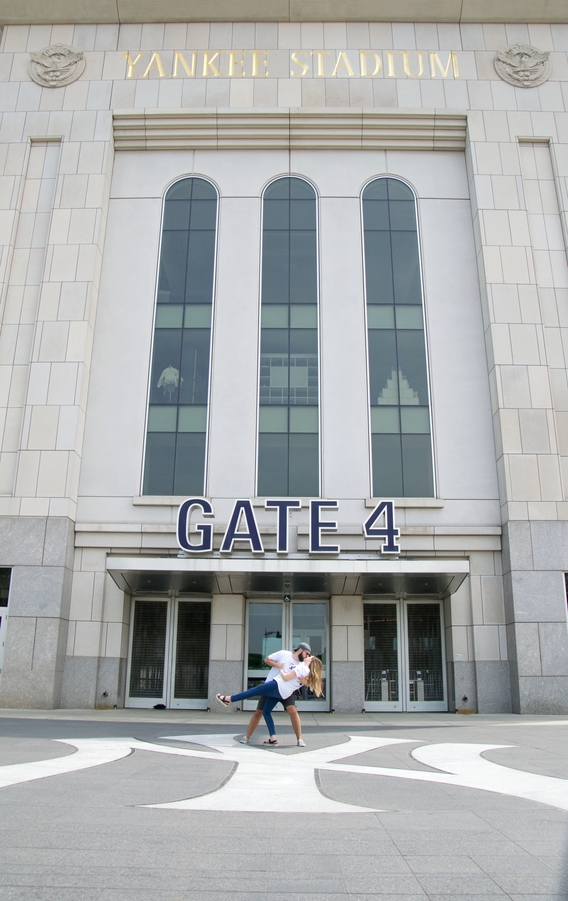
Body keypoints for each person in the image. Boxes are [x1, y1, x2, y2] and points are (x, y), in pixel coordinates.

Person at [216, 656, 323, 745]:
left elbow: (285, 678)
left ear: (311, 661)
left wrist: (280, 669)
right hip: (282, 693)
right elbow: (307, 682)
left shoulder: (303, 669)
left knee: (254, 691)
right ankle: (273, 737)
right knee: (266, 711)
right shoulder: (307, 674)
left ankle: (229, 699)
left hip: (277, 685)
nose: (308, 657)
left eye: (310, 657)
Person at [241, 643, 311, 747]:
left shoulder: (301, 665)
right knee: (259, 712)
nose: (307, 656)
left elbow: (306, 681)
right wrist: (278, 665)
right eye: (307, 653)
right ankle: (247, 737)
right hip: (271, 686)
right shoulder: (284, 654)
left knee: (292, 710)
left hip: (285, 690)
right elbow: (267, 659)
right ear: (300, 650)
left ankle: (299, 739)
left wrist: (303, 681)